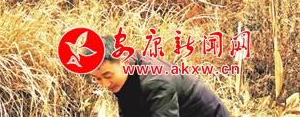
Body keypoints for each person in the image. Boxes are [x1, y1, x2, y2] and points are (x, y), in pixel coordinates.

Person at [90, 35, 230, 117]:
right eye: (97, 79)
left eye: (108, 75)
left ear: (124, 61)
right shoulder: (123, 79)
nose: (105, 84)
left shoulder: (155, 82)